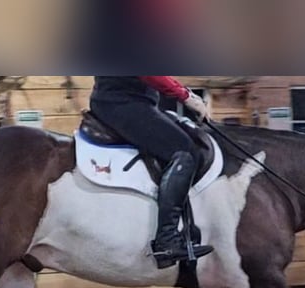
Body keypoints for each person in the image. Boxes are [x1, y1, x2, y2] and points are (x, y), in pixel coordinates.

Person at [89, 76, 214, 269]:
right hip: (123, 102)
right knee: (185, 152)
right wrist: (186, 96)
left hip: (124, 100)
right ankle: (167, 240)